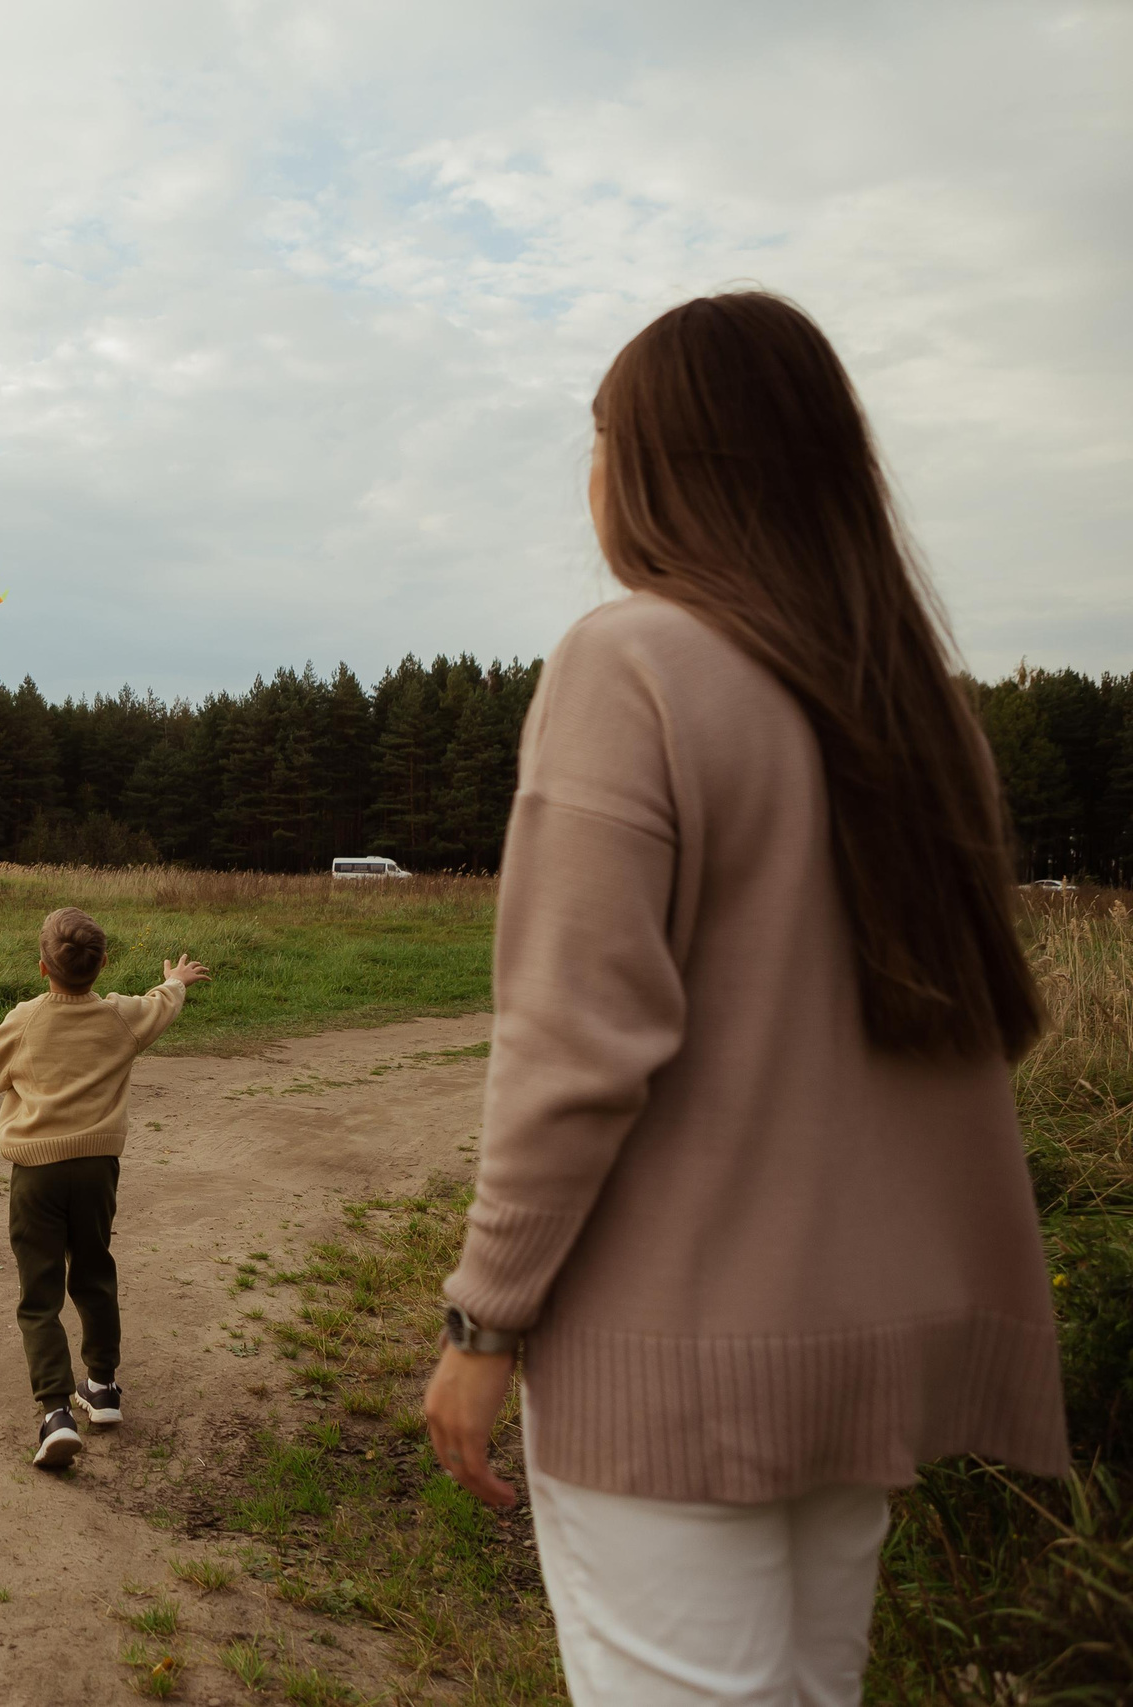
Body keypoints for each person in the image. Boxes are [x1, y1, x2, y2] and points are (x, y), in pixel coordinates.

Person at [422, 292, 1067, 1704]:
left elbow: (572, 1052)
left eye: (598, 437)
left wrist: (483, 1323)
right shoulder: (910, 709)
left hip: (671, 1372)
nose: (588, 475)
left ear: (658, 468)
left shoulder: (629, 660)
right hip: (863, 1365)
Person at [0, 907, 210, 1467]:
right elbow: (160, 1007)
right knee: (94, 1269)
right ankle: (103, 1386)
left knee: (39, 1289)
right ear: (104, 965)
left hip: (37, 1174)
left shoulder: (26, 1018)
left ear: (43, 967)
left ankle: (54, 1412)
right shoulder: (119, 1016)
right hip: (97, 1169)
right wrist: (174, 979)